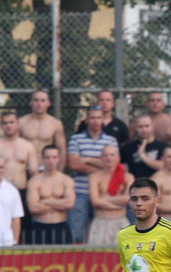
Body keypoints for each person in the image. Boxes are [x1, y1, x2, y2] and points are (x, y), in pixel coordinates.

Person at [0, 111, 38, 241]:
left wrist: (33, 195)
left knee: (24, 229)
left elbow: (34, 174)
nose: (8, 126)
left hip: (21, 191)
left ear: (18, 124)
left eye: (11, 122)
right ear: (1, 125)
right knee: (2, 226)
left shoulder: (27, 146)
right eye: (5, 123)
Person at [67, 105, 119, 243]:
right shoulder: (76, 139)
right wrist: (102, 167)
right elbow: (73, 165)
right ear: (87, 120)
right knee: (76, 232)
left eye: (98, 118)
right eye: (92, 118)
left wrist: (88, 160)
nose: (96, 121)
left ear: (103, 120)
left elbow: (114, 166)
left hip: (104, 192)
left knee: (104, 232)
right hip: (81, 191)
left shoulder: (111, 141)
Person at [25, 145, 76, 245]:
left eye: (54, 157)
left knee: (64, 259)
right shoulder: (34, 181)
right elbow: (33, 208)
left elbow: (69, 204)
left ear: (58, 159)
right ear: (43, 159)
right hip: (40, 226)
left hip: (60, 226)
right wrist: (59, 204)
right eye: (48, 157)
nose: (51, 161)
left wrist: (46, 201)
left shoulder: (66, 180)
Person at [87, 144, 132, 246]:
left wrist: (104, 199)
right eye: (106, 155)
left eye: (112, 155)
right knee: (98, 259)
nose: (109, 158)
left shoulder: (128, 177)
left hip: (121, 222)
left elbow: (127, 199)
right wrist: (116, 205)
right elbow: (95, 201)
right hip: (100, 223)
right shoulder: (94, 177)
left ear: (118, 157)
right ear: (101, 158)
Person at [19, 89, 67, 171]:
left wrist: (60, 172)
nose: (39, 104)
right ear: (31, 103)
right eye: (36, 100)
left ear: (48, 104)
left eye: (43, 101)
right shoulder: (21, 122)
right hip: (26, 167)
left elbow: (61, 149)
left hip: (47, 168)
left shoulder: (55, 124)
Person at [120, 114, 168, 180]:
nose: (144, 129)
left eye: (147, 126)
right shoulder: (129, 147)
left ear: (152, 126)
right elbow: (118, 164)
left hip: (156, 185)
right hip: (136, 185)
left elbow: (163, 166)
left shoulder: (163, 146)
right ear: (136, 128)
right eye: (140, 127)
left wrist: (142, 156)